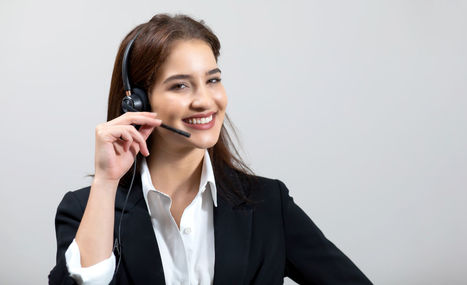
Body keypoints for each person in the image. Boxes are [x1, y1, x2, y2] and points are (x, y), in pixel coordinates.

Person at [49, 13, 372, 285]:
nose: (205, 100)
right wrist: (106, 183)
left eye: (213, 80)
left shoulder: (268, 205)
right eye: (180, 85)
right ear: (138, 102)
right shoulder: (85, 208)